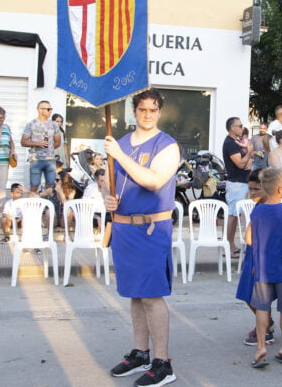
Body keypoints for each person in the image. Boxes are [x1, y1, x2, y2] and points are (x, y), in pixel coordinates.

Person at [102, 88, 180, 386]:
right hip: (123, 228)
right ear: (134, 111)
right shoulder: (119, 142)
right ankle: (140, 353)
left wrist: (119, 155)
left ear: (159, 112)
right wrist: (107, 197)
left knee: (151, 296)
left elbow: (154, 180)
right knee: (135, 294)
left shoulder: (167, 145)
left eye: (153, 109)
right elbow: (109, 183)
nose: (148, 114)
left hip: (151, 228)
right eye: (143, 109)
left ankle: (162, 363)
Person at [247, 168, 282, 368]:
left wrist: (254, 264)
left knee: (262, 308)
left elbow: (253, 239)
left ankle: (261, 346)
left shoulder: (257, 210)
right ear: (280, 188)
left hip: (262, 267)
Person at [236, 169, 276, 346]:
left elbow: (252, 237)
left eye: (256, 189)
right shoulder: (259, 206)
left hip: (261, 257)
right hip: (253, 255)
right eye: (250, 189)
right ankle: (267, 322)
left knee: (257, 296)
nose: (251, 193)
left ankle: (266, 330)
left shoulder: (268, 209)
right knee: (248, 294)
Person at [223, 116, 252, 257]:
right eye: (240, 126)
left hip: (241, 182)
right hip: (236, 183)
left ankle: (231, 245)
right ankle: (228, 246)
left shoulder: (237, 143)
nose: (242, 128)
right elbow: (240, 164)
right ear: (232, 128)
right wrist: (250, 151)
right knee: (233, 215)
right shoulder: (230, 144)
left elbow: (245, 164)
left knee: (236, 215)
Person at [21, 101, 62, 193]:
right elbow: (23, 142)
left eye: (51, 109)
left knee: (51, 186)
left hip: (50, 159)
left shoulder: (54, 125)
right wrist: (37, 144)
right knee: (34, 186)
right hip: (36, 159)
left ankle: (47, 206)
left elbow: (58, 142)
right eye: (48, 109)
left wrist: (49, 149)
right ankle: (32, 206)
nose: (50, 111)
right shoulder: (31, 124)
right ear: (40, 110)